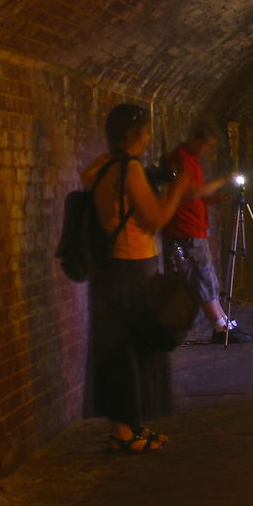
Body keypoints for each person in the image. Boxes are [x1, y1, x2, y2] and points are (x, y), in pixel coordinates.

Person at [83, 103, 199, 453]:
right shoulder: (129, 169)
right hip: (134, 265)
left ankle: (130, 424)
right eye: (146, 131)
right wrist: (179, 190)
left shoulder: (97, 168)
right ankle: (123, 431)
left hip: (109, 267)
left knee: (121, 345)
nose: (149, 137)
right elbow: (155, 218)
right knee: (134, 345)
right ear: (134, 135)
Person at [163, 121, 250, 343]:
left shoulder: (192, 160)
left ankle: (225, 323)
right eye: (208, 146)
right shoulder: (181, 159)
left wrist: (213, 200)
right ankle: (220, 328)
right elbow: (191, 193)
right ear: (198, 140)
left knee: (208, 277)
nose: (208, 151)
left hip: (195, 228)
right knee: (202, 277)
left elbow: (192, 195)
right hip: (185, 229)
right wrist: (222, 181)